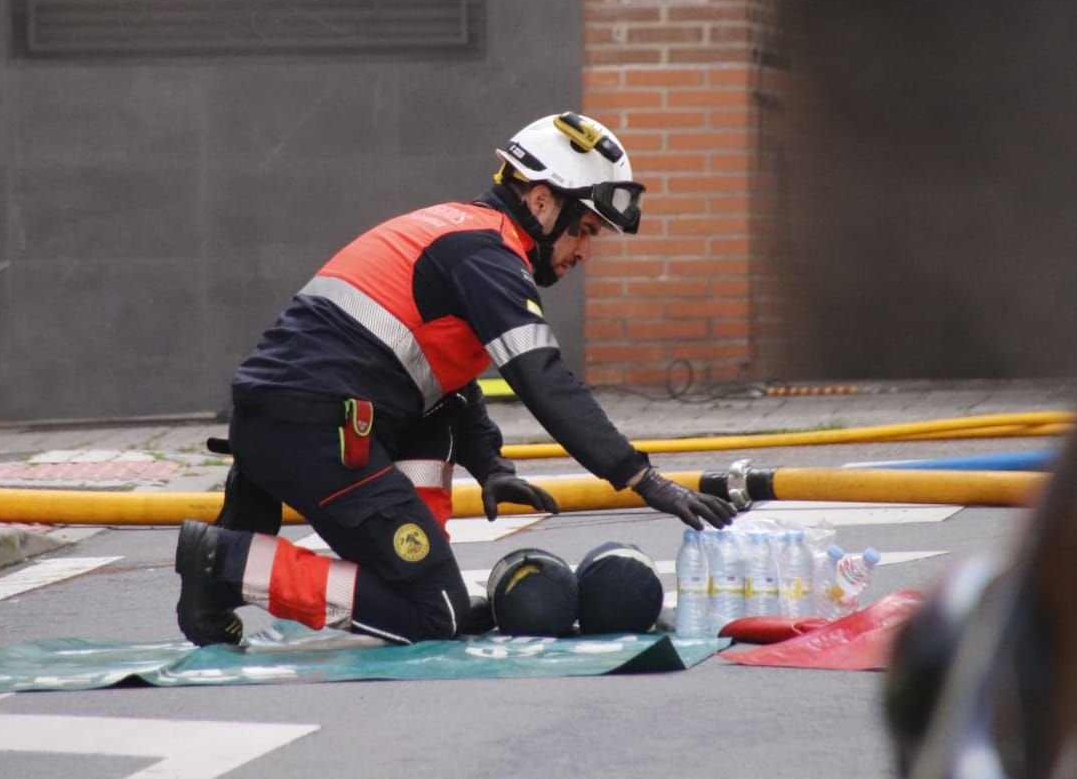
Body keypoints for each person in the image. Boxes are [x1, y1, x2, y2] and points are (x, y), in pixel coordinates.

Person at [176, 111, 738, 646]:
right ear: (541, 201)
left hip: (305, 421)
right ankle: (223, 563)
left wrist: (490, 465)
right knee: (433, 612)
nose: (585, 251)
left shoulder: (464, 234)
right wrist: (643, 479)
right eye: (584, 230)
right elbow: (544, 380)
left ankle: (402, 566)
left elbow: (448, 382)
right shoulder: (485, 253)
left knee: (436, 434)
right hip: (311, 431)